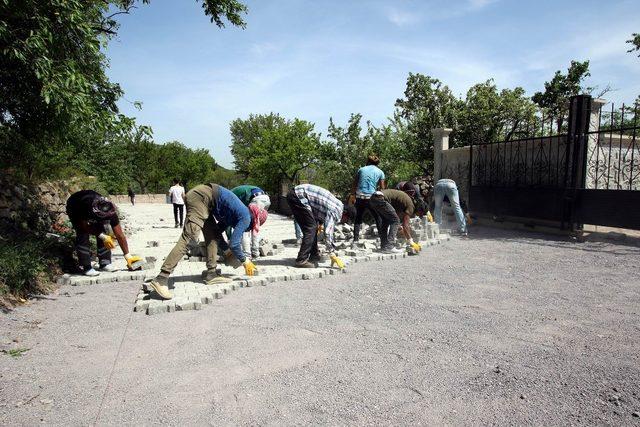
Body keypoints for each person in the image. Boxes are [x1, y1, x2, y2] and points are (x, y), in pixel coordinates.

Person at [148, 184, 258, 300]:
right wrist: (245, 260)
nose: (247, 230)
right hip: (201, 198)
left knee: (212, 234)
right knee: (189, 238)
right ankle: (161, 278)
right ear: (255, 221)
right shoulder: (246, 217)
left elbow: (217, 234)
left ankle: (211, 274)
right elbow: (235, 244)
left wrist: (227, 252)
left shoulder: (235, 214)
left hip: (206, 201)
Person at [66, 190, 143, 276]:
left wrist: (128, 256)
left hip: (91, 205)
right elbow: (84, 226)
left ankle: (105, 263)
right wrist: (102, 236)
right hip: (75, 205)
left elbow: (120, 235)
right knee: (82, 234)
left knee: (103, 231)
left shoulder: (111, 212)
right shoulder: (85, 208)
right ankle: (86, 267)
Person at [286, 184, 346, 269]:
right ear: (345, 216)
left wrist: (320, 223)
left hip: (296, 194)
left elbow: (319, 207)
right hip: (298, 196)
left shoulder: (338, 204)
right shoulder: (335, 210)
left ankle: (314, 255)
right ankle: (301, 260)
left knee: (312, 227)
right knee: (311, 228)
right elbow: (328, 233)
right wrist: (332, 254)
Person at [369, 189, 422, 254]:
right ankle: (389, 246)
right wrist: (411, 241)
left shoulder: (403, 201)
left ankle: (384, 246)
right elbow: (405, 225)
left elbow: (394, 214)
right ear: (418, 209)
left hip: (373, 199)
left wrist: (398, 227)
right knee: (396, 221)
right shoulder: (411, 206)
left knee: (385, 221)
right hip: (380, 198)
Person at [349, 155, 385, 244]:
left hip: (360, 197)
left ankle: (355, 240)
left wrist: (352, 195)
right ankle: (383, 240)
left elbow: (355, 183)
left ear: (368, 162)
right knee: (378, 217)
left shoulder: (361, 169)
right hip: (371, 197)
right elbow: (382, 188)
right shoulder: (380, 172)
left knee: (358, 218)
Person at [230, 185, 270, 259]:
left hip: (256, 200)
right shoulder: (242, 190)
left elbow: (229, 225)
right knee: (255, 226)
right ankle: (256, 252)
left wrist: (229, 238)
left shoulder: (230, 197)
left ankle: (247, 254)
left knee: (245, 230)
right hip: (266, 198)